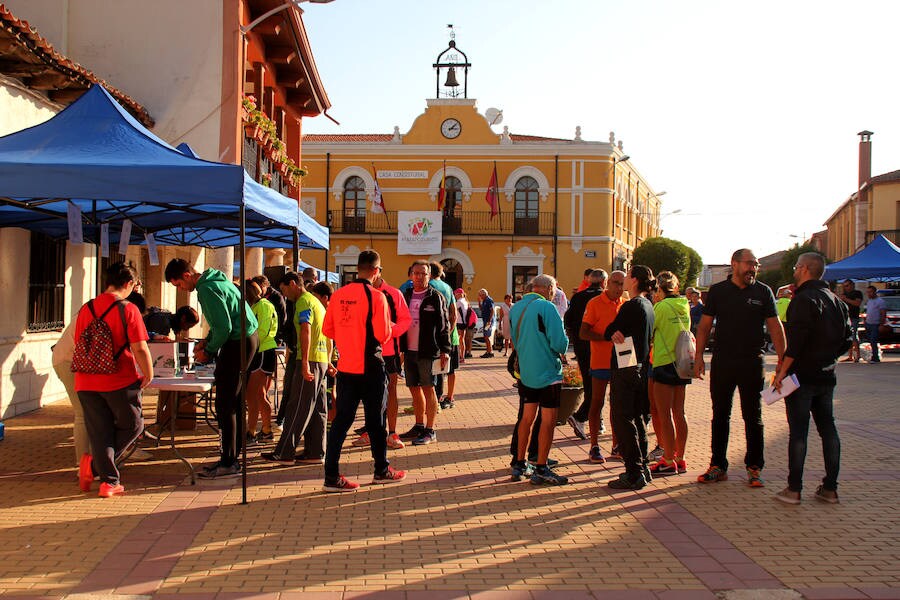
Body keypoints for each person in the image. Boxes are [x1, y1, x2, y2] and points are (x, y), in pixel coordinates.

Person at [694, 249, 785, 487]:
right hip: (723, 361)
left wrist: (783, 362)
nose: (753, 268)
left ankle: (754, 467)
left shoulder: (763, 291)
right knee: (720, 415)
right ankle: (718, 466)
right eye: (749, 264)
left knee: (753, 416)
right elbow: (704, 327)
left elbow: (776, 328)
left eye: (756, 265)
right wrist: (698, 357)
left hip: (753, 362)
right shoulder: (718, 291)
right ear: (734, 264)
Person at [165, 258, 259, 479]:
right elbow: (221, 323)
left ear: (187, 276)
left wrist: (208, 350)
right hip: (246, 338)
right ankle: (232, 457)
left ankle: (229, 461)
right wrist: (207, 341)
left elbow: (224, 327)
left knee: (225, 404)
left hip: (238, 341)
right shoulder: (218, 280)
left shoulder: (206, 288)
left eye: (178, 284)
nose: (182, 289)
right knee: (233, 401)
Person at [321, 250, 405, 491]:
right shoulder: (377, 297)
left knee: (341, 423)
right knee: (376, 421)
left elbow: (328, 330)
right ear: (376, 271)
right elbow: (383, 334)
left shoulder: (338, 295)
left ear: (357, 269)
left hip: (346, 366)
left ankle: (331, 475)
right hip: (370, 365)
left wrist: (349, 336)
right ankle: (381, 469)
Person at [772, 252, 851, 505]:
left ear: (805, 269)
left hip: (801, 377)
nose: (794, 271)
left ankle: (794, 489)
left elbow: (795, 343)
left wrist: (781, 372)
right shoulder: (836, 301)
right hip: (826, 375)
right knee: (828, 429)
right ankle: (830, 488)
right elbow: (847, 340)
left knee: (798, 433)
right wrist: (828, 357)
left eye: (796, 267)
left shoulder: (803, 300)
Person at [74, 262, 153, 498]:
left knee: (100, 432)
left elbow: (81, 343)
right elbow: (139, 347)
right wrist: (148, 372)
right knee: (134, 424)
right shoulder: (128, 309)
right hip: (119, 379)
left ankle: (108, 480)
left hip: (86, 380)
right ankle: (97, 470)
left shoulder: (86, 308)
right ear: (129, 284)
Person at [509, 274, 570, 485]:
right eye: (553, 290)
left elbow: (513, 339)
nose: (553, 294)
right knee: (548, 420)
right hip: (547, 372)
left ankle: (518, 463)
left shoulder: (516, 307)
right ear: (547, 289)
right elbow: (560, 344)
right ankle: (542, 467)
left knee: (526, 418)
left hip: (526, 371)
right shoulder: (547, 308)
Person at [263, 272, 330, 464]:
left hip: (309, 359)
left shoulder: (303, 301)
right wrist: (330, 360)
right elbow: (327, 333)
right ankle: (315, 452)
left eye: (283, 289)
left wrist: (305, 362)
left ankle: (285, 452)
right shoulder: (316, 301)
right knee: (317, 408)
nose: (283, 294)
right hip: (321, 359)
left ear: (292, 284)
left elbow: (306, 329)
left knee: (298, 405)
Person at [604, 265, 656, 490]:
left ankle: (633, 471)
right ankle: (642, 467)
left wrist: (612, 332)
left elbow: (611, 330)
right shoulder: (648, 305)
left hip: (626, 366)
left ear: (634, 280)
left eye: (627, 275)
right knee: (637, 417)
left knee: (623, 418)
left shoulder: (632, 305)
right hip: (641, 366)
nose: (623, 279)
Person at [354, 269, 412, 449]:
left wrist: (389, 332)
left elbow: (405, 320)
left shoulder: (394, 294)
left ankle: (392, 433)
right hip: (365, 350)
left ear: (378, 272)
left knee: (391, 389)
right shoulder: (359, 293)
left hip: (389, 351)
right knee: (369, 392)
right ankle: (370, 431)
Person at [399, 260, 451, 445]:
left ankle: (430, 430)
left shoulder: (435, 297)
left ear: (429, 276)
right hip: (409, 350)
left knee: (429, 388)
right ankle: (419, 425)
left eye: (423, 273)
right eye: (416, 273)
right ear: (411, 275)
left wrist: (445, 350)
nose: (420, 277)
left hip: (428, 351)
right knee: (414, 389)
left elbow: (444, 325)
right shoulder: (405, 295)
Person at [578, 271, 626, 462]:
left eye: (622, 284)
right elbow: (583, 332)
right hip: (600, 361)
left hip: (621, 362)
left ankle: (616, 445)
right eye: (615, 283)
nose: (619, 288)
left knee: (618, 405)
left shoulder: (625, 304)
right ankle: (594, 446)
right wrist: (606, 337)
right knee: (597, 401)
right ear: (607, 283)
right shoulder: (595, 303)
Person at [648, 271, 691, 475]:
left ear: (659, 289)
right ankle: (680, 458)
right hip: (682, 362)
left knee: (664, 414)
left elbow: (650, 331)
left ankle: (667, 459)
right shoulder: (684, 306)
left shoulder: (661, 307)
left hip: (664, 362)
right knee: (679, 413)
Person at [564, 269, 606, 444]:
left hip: (581, 347)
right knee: (598, 386)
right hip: (599, 346)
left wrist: (576, 339)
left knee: (591, 384)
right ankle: (581, 416)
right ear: (604, 282)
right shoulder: (604, 298)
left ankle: (597, 420)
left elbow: (568, 320)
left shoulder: (578, 297)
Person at [245, 280, 278, 444]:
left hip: (262, 351)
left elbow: (262, 330)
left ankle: (250, 432)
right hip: (261, 350)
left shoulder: (263, 305)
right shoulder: (258, 305)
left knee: (252, 394)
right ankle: (266, 430)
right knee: (259, 394)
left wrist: (250, 347)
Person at [428, 262, 459, 410]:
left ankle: (434, 401)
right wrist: (449, 332)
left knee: (432, 371)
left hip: (432, 336)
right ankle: (447, 397)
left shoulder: (428, 286)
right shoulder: (448, 288)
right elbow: (454, 314)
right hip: (450, 336)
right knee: (448, 369)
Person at [837, 280, 863, 362]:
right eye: (844, 286)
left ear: (852, 285)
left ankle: (858, 356)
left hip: (853, 317)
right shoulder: (844, 294)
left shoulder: (857, 293)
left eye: (847, 285)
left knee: (854, 336)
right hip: (845, 318)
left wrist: (846, 299)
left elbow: (857, 303)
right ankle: (850, 356)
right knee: (847, 337)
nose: (846, 288)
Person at [863, 285, 886, 363]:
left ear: (875, 292)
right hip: (868, 323)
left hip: (876, 324)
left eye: (870, 292)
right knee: (871, 341)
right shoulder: (869, 301)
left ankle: (875, 358)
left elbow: (883, 313)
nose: (869, 294)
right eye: (867, 292)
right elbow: (868, 312)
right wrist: (865, 322)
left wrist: (881, 324)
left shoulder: (880, 301)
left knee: (873, 340)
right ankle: (875, 355)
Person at [477, 288, 496, 357]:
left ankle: (490, 352)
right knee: (485, 336)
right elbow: (481, 309)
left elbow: (492, 310)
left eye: (480, 295)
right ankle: (488, 351)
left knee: (487, 336)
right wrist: (479, 302)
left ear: (484, 294)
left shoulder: (489, 300)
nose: (480, 296)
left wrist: (489, 321)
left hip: (488, 321)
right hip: (485, 321)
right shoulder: (484, 300)